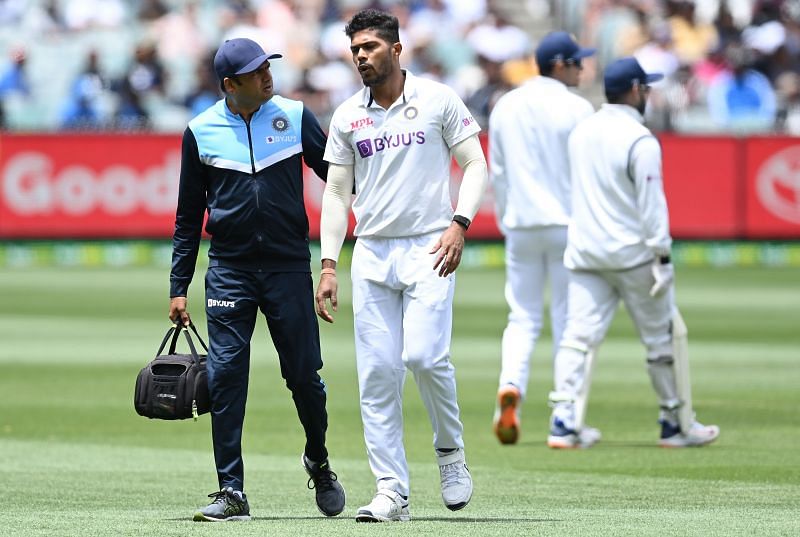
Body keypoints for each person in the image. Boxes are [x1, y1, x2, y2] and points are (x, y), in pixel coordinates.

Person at [314, 9, 488, 523]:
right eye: (354, 50)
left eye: (369, 47)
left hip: (430, 246)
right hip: (371, 252)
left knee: (426, 358)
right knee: (377, 374)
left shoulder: (438, 99)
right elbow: (336, 193)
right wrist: (327, 264)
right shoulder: (348, 115)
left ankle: (450, 454)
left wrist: (460, 223)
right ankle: (391, 490)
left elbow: (475, 163)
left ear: (395, 49)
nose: (360, 57)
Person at [168, 37, 346, 522]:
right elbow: (188, 216)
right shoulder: (200, 130)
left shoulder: (295, 114)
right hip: (229, 270)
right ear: (230, 84)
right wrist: (178, 285)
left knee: (305, 378)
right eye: (255, 71)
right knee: (225, 378)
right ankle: (232, 491)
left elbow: (336, 177)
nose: (267, 75)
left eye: (268, 66)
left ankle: (320, 462)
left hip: (289, 267)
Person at [546, 57, 720, 449]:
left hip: (586, 254)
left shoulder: (582, 131)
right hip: (633, 256)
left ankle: (563, 420)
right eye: (647, 88)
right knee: (661, 340)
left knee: (577, 339)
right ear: (637, 90)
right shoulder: (640, 139)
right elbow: (652, 205)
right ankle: (675, 422)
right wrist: (662, 256)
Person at [488, 31, 596, 446]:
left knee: (522, 318)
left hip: (521, 223)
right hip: (569, 224)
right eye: (577, 62)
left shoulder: (507, 105)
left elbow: (497, 171)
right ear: (560, 64)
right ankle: (564, 416)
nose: (583, 69)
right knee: (569, 322)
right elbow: (589, 173)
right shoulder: (579, 108)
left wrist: (507, 220)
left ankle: (510, 387)